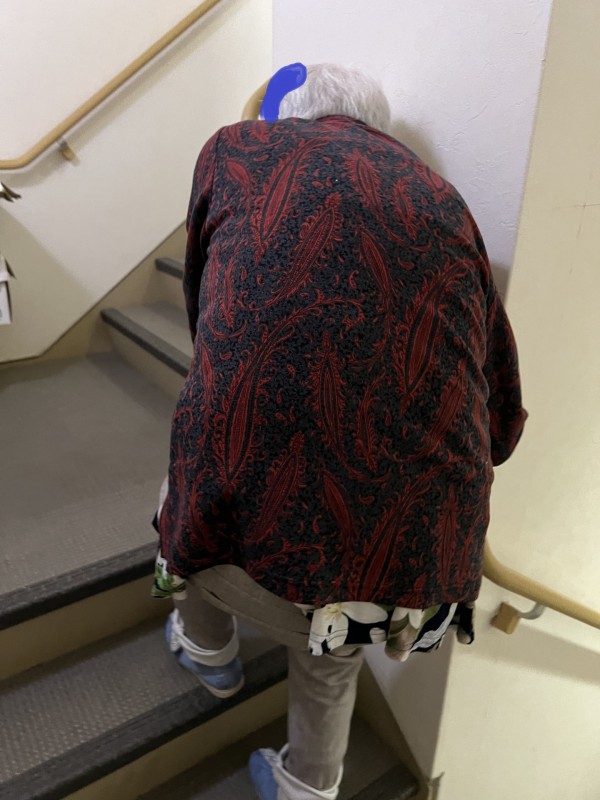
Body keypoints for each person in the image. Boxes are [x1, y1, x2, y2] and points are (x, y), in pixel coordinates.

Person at [153, 63, 528, 800]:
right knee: (344, 601)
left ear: (288, 114)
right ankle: (310, 784)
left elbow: (207, 312)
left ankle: (208, 650)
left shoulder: (234, 149)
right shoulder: (445, 200)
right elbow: (502, 409)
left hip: (241, 535)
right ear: (378, 130)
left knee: (199, 453)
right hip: (412, 573)